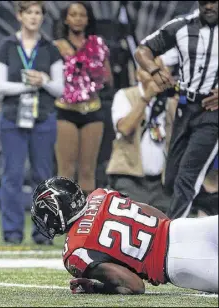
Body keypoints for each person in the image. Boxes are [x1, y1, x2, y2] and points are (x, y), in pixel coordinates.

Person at [31, 176, 218, 295]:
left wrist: (96, 287)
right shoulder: (100, 194)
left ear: (59, 211)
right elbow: (152, 212)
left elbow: (135, 285)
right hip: (183, 228)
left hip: (179, 263)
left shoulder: (76, 252)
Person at [134, 1, 218, 219]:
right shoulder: (182, 26)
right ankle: (212, 204)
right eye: (204, 2)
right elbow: (143, 50)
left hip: (213, 110)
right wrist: (154, 70)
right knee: (171, 179)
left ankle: (172, 232)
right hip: (184, 107)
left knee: (187, 176)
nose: (209, 6)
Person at [0, 1, 64, 245]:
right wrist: (27, 85)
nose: (34, 17)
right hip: (13, 118)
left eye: (38, 13)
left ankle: (43, 232)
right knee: (11, 176)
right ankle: (11, 232)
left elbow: (59, 89)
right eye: (29, 12)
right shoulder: (7, 46)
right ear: (19, 16)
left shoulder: (50, 48)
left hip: (43, 118)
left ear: (43, 17)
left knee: (42, 177)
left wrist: (43, 80)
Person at [52, 2, 113, 196]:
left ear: (88, 19)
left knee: (88, 171)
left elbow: (108, 78)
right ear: (66, 19)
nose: (78, 19)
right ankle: (65, 222)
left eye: (82, 15)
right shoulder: (56, 46)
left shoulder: (98, 44)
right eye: (73, 15)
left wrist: (92, 66)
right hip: (65, 110)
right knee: (66, 172)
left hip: (92, 110)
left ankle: (87, 222)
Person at [106, 50, 178, 213]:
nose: (157, 76)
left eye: (161, 71)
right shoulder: (125, 95)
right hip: (129, 179)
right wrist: (146, 97)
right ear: (140, 74)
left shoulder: (169, 101)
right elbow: (125, 128)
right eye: (152, 71)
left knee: (165, 232)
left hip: (161, 183)